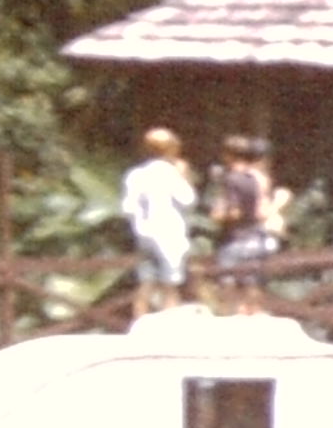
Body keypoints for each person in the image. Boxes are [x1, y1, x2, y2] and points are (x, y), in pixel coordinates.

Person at [117, 127, 196, 314]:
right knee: (170, 284)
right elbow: (187, 200)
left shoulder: (135, 175)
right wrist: (184, 176)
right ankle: (169, 328)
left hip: (144, 234)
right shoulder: (170, 173)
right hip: (169, 233)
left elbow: (128, 207)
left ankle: (139, 323)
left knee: (146, 282)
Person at [204, 133, 279, 305]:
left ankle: (231, 318)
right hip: (255, 236)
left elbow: (235, 212)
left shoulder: (231, 179)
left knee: (227, 283)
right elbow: (260, 209)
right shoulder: (255, 179)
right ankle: (253, 316)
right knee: (252, 283)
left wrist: (218, 215)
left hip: (235, 239)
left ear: (228, 155)